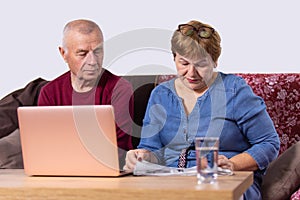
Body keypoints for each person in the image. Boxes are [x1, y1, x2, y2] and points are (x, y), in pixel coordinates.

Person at [123, 20, 280, 200]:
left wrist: (231, 164)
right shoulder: (161, 94)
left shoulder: (235, 90)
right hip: (172, 180)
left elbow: (269, 143)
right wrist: (141, 157)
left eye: (201, 64)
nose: (191, 73)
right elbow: (151, 148)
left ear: (215, 61)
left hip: (225, 180)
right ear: (174, 58)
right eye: (183, 63)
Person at [38, 19, 134, 163]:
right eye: (82, 53)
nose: (93, 61)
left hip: (107, 170)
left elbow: (118, 149)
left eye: (98, 51)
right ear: (63, 53)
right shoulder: (49, 92)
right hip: (59, 169)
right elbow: (44, 145)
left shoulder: (120, 89)